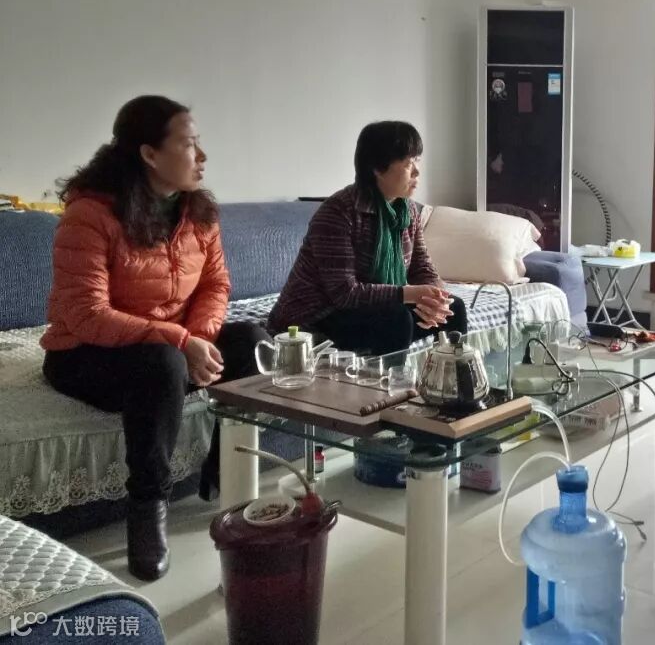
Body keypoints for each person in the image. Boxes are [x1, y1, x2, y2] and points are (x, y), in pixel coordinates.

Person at [40, 95, 268, 581]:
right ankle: (147, 507)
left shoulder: (198, 212)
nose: (202, 156)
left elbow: (215, 285)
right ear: (148, 153)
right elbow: (86, 315)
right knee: (162, 363)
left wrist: (199, 339)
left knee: (252, 338)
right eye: (188, 144)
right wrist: (179, 342)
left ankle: (223, 468)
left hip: (173, 344)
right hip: (86, 352)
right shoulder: (90, 214)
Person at [268, 120, 466, 354]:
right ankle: (391, 379)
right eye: (407, 163)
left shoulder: (407, 211)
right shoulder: (338, 212)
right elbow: (344, 293)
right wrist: (410, 294)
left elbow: (421, 266)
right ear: (377, 169)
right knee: (396, 319)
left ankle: (448, 375)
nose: (416, 171)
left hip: (369, 310)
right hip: (317, 316)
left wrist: (435, 297)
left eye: (417, 161)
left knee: (454, 308)